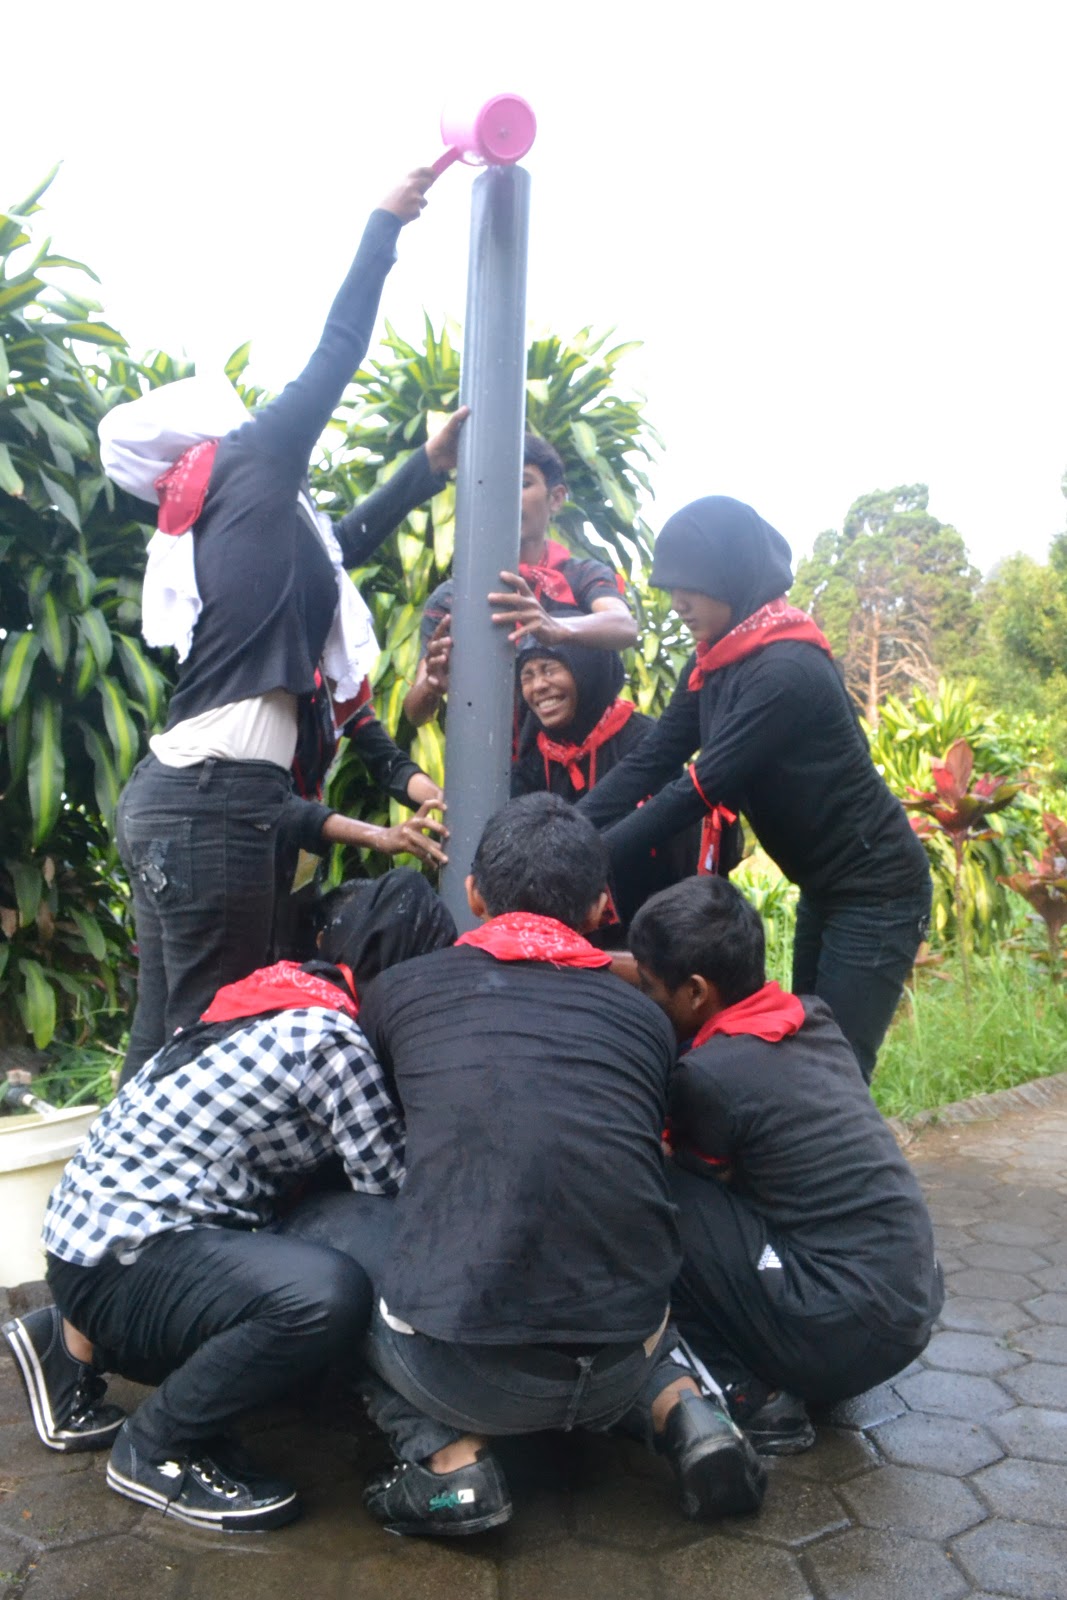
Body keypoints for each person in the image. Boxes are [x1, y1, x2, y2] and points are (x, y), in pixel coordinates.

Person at [99, 168, 458, 1079]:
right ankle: (169, 1179)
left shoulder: (230, 514)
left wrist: (424, 468)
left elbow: (341, 545)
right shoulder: (253, 459)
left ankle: (115, 1175)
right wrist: (382, 228)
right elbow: (336, 352)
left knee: (164, 1042)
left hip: (179, 797)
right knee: (211, 1047)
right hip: (212, 802)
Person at [353, 794, 765, 1537]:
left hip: (462, 1379)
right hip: (620, 1359)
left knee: (341, 1252)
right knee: (615, 1271)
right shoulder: (648, 1022)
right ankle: (687, 1414)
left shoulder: (399, 993)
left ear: (474, 894)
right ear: (603, 908)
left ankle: (450, 1465)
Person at [1, 871, 455, 1532]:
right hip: (126, 1265)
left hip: (90, 1250)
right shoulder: (331, 1040)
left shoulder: (275, 999)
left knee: (295, 1268)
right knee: (324, 1294)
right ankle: (158, 1448)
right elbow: (387, 1187)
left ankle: (64, 1348)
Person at [577, 496, 933, 1079]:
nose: (678, 602)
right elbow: (653, 758)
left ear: (732, 575)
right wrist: (569, 825)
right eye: (671, 588)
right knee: (811, 1050)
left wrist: (587, 855)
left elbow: (697, 788)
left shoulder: (784, 670)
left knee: (834, 1067)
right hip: (826, 887)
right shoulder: (716, 663)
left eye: (690, 586)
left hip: (877, 890)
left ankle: (843, 1141)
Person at [629, 876, 944, 1454]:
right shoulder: (811, 1018)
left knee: (656, 1187)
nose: (644, 997)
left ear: (696, 992)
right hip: (910, 1307)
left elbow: (706, 1188)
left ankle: (752, 1396)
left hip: (838, 1329)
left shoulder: (709, 1075)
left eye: (648, 987)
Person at [402, 434, 637, 728]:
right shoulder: (452, 597)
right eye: (494, 487)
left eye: (523, 484)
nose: (507, 497)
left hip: (583, 749)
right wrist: (432, 685)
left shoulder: (582, 574)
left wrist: (558, 627)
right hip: (491, 753)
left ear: (556, 498)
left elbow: (624, 626)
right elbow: (415, 713)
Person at [510, 637, 709, 933]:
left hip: (650, 925)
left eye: (549, 669)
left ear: (585, 670)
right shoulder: (532, 753)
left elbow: (679, 847)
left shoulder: (647, 744)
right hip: (560, 929)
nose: (538, 686)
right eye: (528, 676)